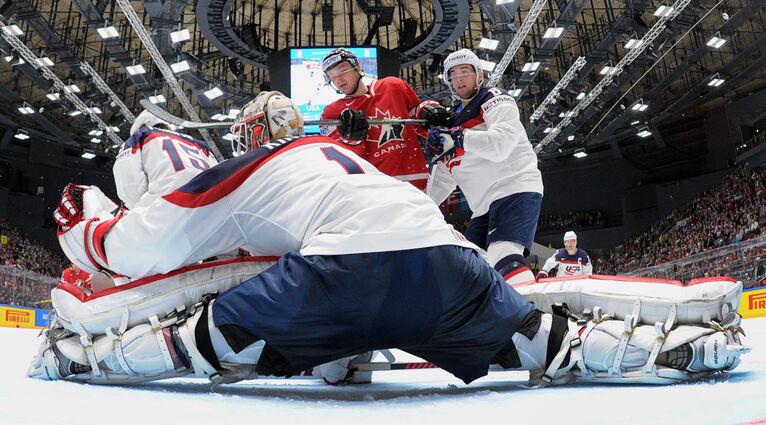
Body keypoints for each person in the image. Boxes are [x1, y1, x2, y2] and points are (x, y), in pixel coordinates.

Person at [30, 94, 747, 388]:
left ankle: (86, 360)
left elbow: (146, 251)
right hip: (448, 263)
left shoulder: (244, 168)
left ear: (249, 135)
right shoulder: (352, 163)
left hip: (342, 273)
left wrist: (84, 229)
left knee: (212, 329)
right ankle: (666, 349)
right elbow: (416, 211)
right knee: (534, 340)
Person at [426, 49, 543, 285]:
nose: (459, 78)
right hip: (483, 206)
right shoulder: (452, 123)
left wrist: (459, 137)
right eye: (453, 74)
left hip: (514, 187)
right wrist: (420, 205)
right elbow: (445, 177)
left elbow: (501, 144)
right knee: (470, 269)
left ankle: (534, 316)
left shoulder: (494, 98)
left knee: (504, 255)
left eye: (465, 72)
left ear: (479, 75)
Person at [319, 48, 452, 190]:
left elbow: (419, 121)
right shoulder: (331, 113)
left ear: (357, 67)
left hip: (416, 184)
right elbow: (341, 160)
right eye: (332, 76)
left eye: (342, 70)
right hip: (373, 189)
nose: (338, 78)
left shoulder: (393, 86)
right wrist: (351, 140)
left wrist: (430, 112)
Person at [113, 110, 219, 211]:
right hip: (210, 204)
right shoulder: (200, 144)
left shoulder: (140, 136)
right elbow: (218, 174)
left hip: (168, 206)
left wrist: (138, 209)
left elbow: (131, 187)